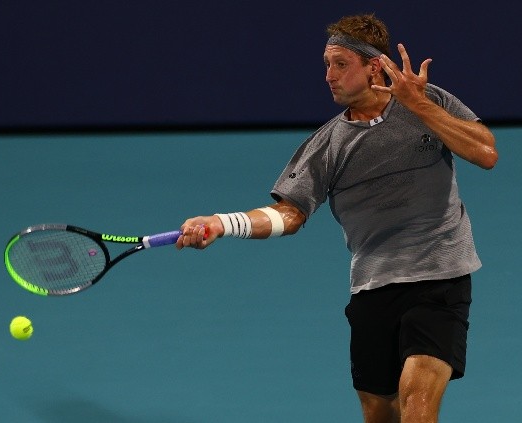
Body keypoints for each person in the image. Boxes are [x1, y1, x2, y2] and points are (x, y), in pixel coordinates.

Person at [175, 13, 498, 423]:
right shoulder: (327, 145)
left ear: (374, 67)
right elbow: (289, 214)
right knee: (380, 414)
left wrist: (419, 106)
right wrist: (223, 222)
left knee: (417, 405)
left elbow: (486, 153)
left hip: (440, 280)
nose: (329, 75)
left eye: (341, 64)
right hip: (373, 287)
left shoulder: (427, 99)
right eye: (327, 64)